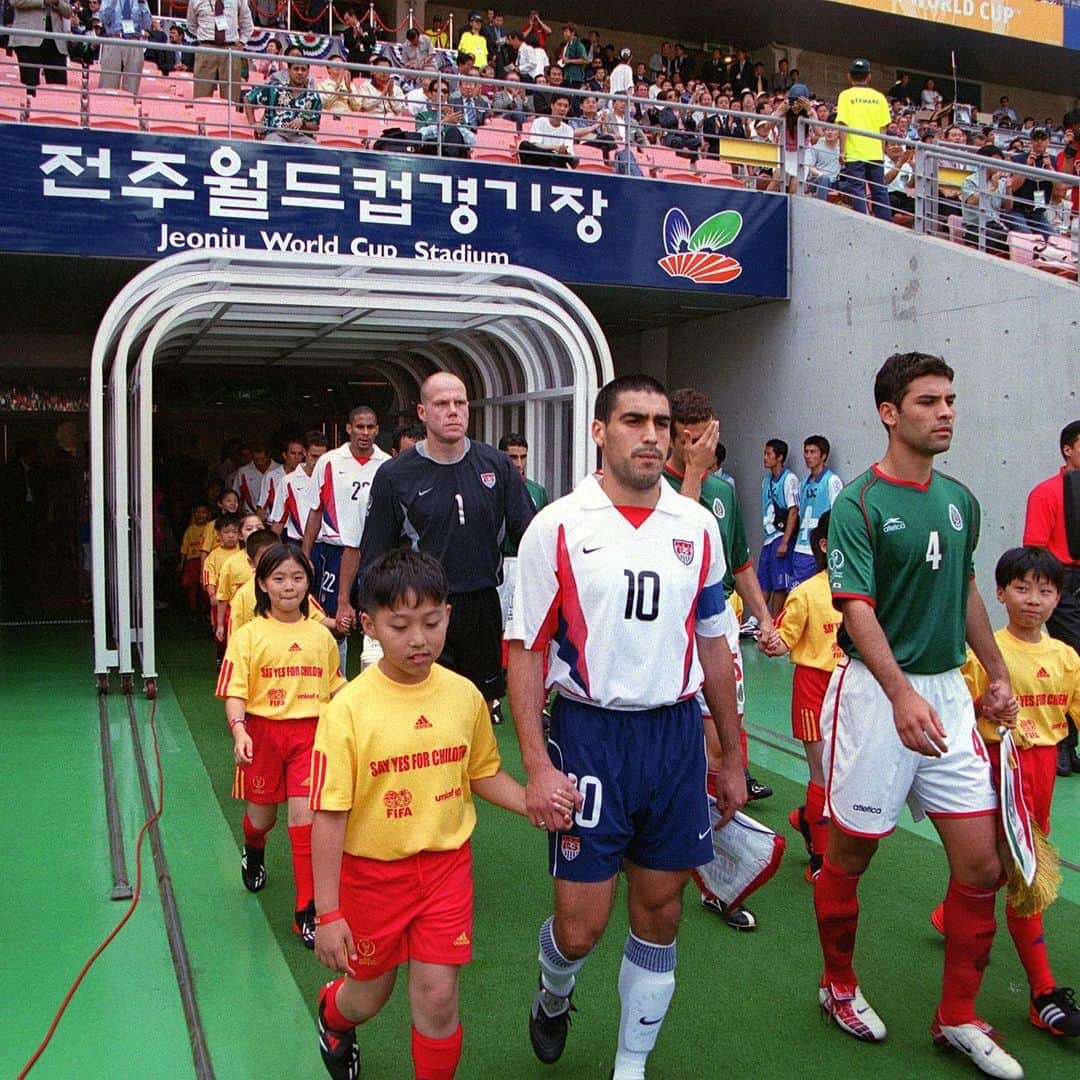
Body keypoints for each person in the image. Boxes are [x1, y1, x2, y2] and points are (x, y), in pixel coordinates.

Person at [507, 374, 747, 1078]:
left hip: (673, 737)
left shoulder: (696, 525)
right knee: (580, 930)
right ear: (600, 431)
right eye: (635, 420)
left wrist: (730, 754)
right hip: (587, 735)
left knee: (661, 913)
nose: (651, 435)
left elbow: (712, 643)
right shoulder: (557, 525)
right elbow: (524, 650)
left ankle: (629, 1067)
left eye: (663, 423)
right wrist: (536, 765)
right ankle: (555, 988)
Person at [816, 351, 1023, 1080]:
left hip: (945, 696)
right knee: (851, 856)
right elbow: (856, 608)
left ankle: (958, 1016)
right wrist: (901, 693)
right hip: (875, 696)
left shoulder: (961, 499)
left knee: (982, 865)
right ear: (889, 412)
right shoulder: (859, 503)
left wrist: (994, 674)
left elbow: (966, 590)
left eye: (951, 400)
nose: (946, 413)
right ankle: (837, 984)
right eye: (930, 401)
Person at [310, 549, 568, 1080]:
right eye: (399, 625)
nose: (418, 639)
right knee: (368, 994)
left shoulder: (464, 696)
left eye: (430, 622)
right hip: (372, 878)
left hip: (446, 871)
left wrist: (532, 804)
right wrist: (329, 913)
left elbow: (480, 773)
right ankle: (334, 1015)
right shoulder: (347, 711)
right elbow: (329, 817)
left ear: (448, 615)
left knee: (438, 996)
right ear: (370, 624)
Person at [925, 546, 1080, 1037]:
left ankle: (951, 914)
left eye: (1046, 590)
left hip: (1040, 775)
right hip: (993, 770)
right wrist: (983, 708)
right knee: (1017, 873)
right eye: (1022, 588)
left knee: (1001, 869)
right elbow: (957, 715)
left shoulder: (1066, 657)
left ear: (1059, 597)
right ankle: (1043, 992)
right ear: (999, 592)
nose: (1033, 599)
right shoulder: (984, 652)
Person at [359, 372, 535, 718]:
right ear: (423, 413)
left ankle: (474, 772)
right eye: (442, 404)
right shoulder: (395, 474)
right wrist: (373, 613)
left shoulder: (497, 465)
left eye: (460, 403)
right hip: (423, 608)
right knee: (423, 706)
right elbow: (376, 552)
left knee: (478, 706)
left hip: (482, 603)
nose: (453, 411)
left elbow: (530, 535)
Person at [217, 543, 345, 949]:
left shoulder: (320, 636)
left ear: (308, 583)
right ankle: (253, 850)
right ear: (262, 584)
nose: (289, 586)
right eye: (279, 578)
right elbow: (235, 691)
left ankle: (306, 911)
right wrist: (240, 730)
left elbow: (336, 688)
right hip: (264, 735)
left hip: (310, 736)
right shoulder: (249, 636)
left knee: (303, 820)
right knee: (262, 819)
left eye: (297, 578)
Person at [664, 388, 779, 819]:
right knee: (671, 742)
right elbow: (677, 544)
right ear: (679, 439)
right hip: (670, 627)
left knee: (720, 741)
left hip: (717, 624)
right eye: (696, 439)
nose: (707, 447)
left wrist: (764, 618)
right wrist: (692, 474)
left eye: (710, 436)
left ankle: (717, 859)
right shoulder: (654, 485)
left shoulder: (725, 494)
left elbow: (741, 561)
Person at [762, 512, 840, 881]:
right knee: (822, 773)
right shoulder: (807, 592)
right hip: (813, 687)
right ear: (825, 546)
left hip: (850, 689)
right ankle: (820, 860)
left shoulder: (866, 589)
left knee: (843, 775)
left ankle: (808, 820)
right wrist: (770, 640)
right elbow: (783, 639)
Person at [302, 406, 390, 673]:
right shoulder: (329, 461)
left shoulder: (386, 464)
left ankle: (372, 686)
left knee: (374, 617)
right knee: (334, 621)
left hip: (373, 552)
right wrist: (305, 555)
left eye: (370, 427)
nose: (365, 433)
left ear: (377, 430)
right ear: (349, 428)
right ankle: (333, 682)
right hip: (334, 551)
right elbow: (315, 510)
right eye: (359, 427)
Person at [1023, 420, 1080, 776]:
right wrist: (1047, 593)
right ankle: (1059, 743)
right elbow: (1036, 547)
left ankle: (1068, 746)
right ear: (1067, 449)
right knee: (1069, 658)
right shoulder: (1047, 492)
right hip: (1064, 582)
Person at [835, 58, 893, 221]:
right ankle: (886, 223)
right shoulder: (879, 97)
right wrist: (881, 150)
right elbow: (884, 127)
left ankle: (863, 222)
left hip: (854, 152)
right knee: (879, 191)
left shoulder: (845, 96)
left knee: (857, 189)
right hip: (875, 153)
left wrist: (842, 151)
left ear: (849, 76)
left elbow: (843, 125)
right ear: (869, 76)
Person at [245, 47, 323, 144]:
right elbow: (248, 98)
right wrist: (253, 123)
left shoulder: (314, 97)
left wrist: (303, 124)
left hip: (301, 137)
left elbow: (315, 126)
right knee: (274, 142)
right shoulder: (274, 88)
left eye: (303, 70)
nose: (300, 72)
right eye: (296, 69)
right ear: (289, 71)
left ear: (308, 72)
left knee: (313, 145)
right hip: (276, 133)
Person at [792, 435, 843, 585]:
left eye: (813, 452)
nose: (808, 456)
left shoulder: (831, 481)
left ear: (823, 456)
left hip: (816, 550)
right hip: (799, 548)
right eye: (806, 452)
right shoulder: (803, 484)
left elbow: (837, 514)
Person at [758, 438, 799, 615]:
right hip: (768, 537)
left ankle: (775, 620)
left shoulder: (789, 479)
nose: (765, 457)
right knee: (764, 580)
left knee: (780, 583)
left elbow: (793, 510)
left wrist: (785, 540)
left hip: (780, 536)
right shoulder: (765, 481)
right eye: (765, 453)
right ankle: (759, 618)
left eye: (769, 454)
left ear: (780, 457)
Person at [186, 0, 253, 103]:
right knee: (201, 95)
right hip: (206, 48)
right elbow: (191, 25)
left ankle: (231, 118)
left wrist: (241, 43)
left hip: (230, 48)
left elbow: (247, 24)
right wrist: (204, 39)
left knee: (232, 97)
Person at [269, 432, 326, 546]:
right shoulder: (288, 481)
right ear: (305, 452)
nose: (318, 462)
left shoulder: (332, 479)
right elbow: (279, 521)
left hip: (326, 546)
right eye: (314, 456)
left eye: (322, 457)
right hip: (297, 543)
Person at [204, 512, 242, 664]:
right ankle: (221, 653)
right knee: (222, 629)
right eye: (227, 532)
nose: (231, 536)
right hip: (221, 601)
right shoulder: (213, 555)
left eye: (234, 532)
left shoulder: (244, 553)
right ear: (219, 534)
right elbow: (209, 576)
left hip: (240, 600)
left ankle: (235, 658)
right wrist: (212, 594)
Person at [97, 0, 151, 95]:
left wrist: (142, 5)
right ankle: (106, 106)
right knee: (108, 82)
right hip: (114, 39)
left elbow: (147, 25)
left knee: (132, 85)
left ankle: (129, 107)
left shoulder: (141, 1)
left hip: (134, 41)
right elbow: (103, 19)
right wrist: (112, 3)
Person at [518, 94, 577, 168]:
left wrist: (563, 151)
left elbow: (569, 154)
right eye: (559, 105)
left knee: (560, 158)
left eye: (566, 106)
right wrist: (554, 148)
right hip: (539, 161)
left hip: (557, 163)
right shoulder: (539, 122)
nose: (562, 109)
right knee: (524, 145)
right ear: (552, 105)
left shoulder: (569, 130)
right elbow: (535, 144)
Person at [178, 503, 212, 615]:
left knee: (205, 587)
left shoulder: (210, 528)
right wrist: (182, 563)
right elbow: (184, 547)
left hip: (205, 561)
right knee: (191, 587)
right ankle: (193, 609)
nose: (200, 515)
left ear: (208, 515)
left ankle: (205, 609)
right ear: (194, 514)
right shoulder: (190, 530)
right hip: (192, 561)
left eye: (203, 512)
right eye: (198, 512)